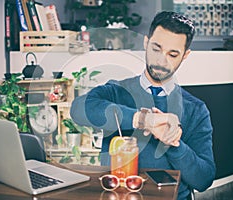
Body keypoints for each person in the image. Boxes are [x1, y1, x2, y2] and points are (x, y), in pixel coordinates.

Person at [70, 11, 216, 200]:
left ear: (185, 55)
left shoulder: (195, 109)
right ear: (146, 43)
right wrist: (145, 120)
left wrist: (173, 143)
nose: (161, 61)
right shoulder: (116, 91)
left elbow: (204, 180)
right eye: (156, 49)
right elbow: (78, 109)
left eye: (172, 54)